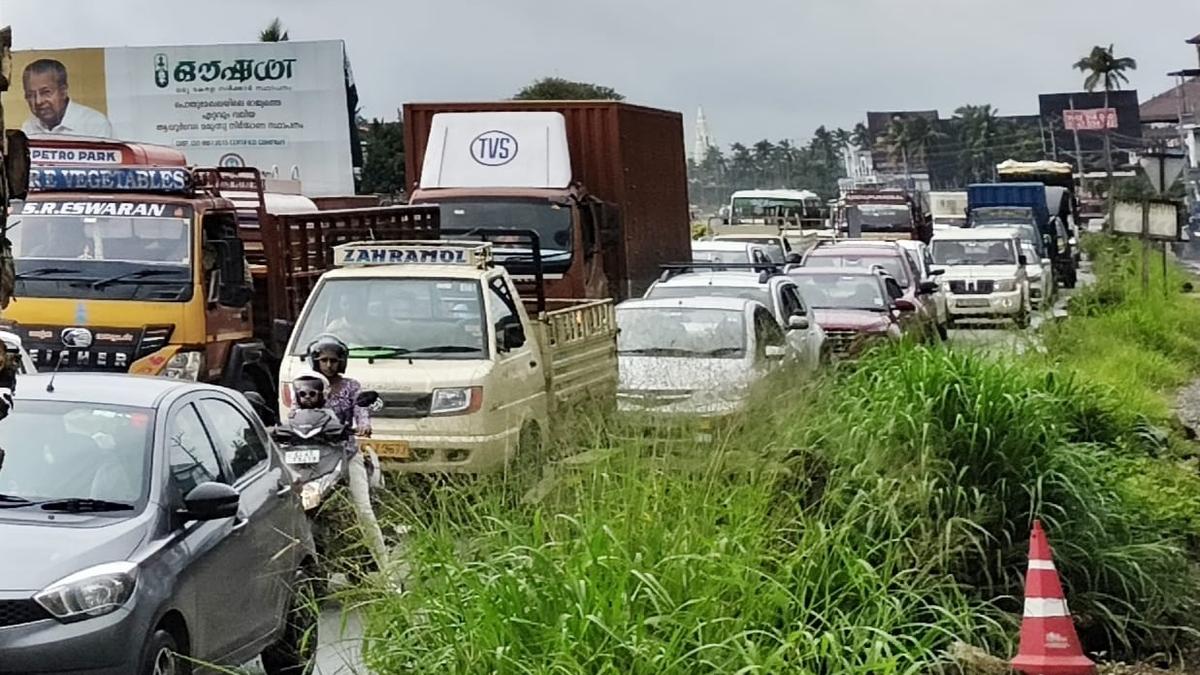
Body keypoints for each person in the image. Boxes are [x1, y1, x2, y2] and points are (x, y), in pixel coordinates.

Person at [305, 334, 389, 570]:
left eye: (333, 360)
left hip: (347, 454)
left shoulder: (351, 386)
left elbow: (361, 409)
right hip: (316, 457)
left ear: (341, 362)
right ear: (315, 362)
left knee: (363, 510)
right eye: (323, 360)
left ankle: (388, 571)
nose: (328, 365)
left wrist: (363, 423)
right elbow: (295, 412)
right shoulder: (307, 385)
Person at [21, 59, 113, 137]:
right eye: (30, 95)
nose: (38, 101)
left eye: (46, 92)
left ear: (63, 91)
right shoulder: (28, 128)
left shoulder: (94, 124)